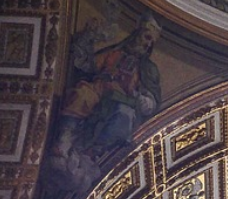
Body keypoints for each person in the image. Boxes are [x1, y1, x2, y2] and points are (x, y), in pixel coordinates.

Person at [53, 14, 162, 157]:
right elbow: (89, 66)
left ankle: (92, 153)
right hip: (99, 91)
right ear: (137, 34)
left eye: (151, 43)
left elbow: (150, 104)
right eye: (147, 38)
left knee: (124, 117)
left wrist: (137, 95)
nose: (148, 45)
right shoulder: (115, 53)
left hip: (124, 102)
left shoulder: (148, 69)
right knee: (82, 95)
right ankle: (65, 139)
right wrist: (85, 40)